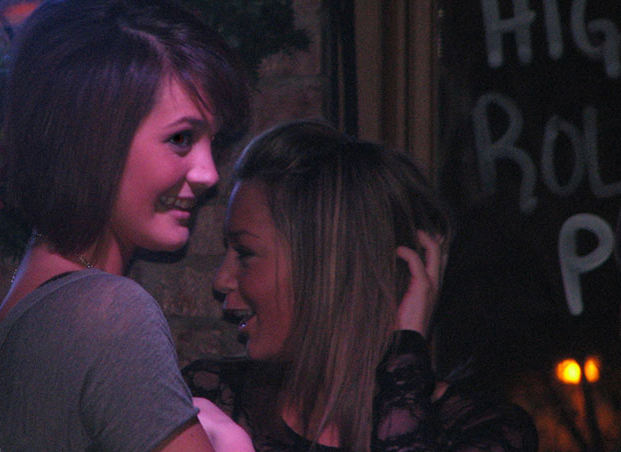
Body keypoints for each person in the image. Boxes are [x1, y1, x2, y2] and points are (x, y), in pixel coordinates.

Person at [0, 0, 253, 452]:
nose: (208, 173)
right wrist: (234, 443)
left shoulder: (34, 301)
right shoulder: (108, 314)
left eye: (211, 142)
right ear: (92, 136)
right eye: (181, 138)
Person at [186, 120, 539, 451]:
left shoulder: (484, 430)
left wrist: (404, 352)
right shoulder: (212, 401)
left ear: (329, 266)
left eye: (245, 253)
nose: (221, 280)